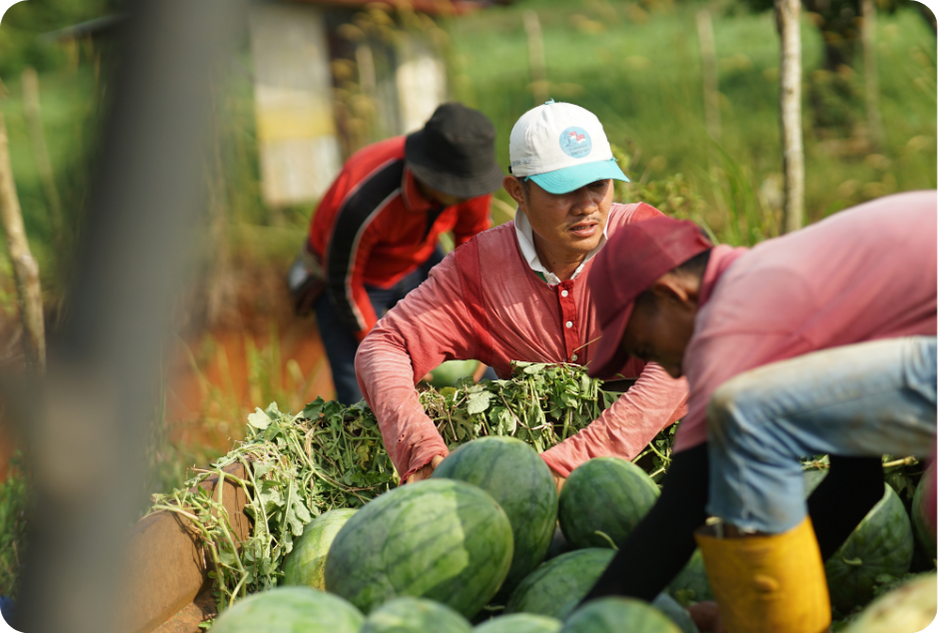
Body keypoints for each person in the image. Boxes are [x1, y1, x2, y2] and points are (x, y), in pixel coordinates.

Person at [581, 190, 940, 632]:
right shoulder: (775, 285)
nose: (670, 370)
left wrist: (581, 624)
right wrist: (756, 605)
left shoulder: (734, 318)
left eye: (646, 348)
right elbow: (855, 485)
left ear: (671, 294)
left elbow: (683, 508)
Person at [354, 100, 688, 486]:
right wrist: (417, 446)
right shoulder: (478, 272)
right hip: (538, 486)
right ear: (518, 192)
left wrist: (574, 462)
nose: (587, 206)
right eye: (565, 189)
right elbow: (385, 346)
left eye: (598, 185)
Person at [288, 102, 504, 404]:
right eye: (458, 188)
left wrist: (478, 332)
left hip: (418, 258)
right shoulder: (364, 200)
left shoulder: (470, 182)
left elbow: (473, 253)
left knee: (488, 373)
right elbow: (344, 282)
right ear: (430, 177)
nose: (469, 195)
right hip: (351, 283)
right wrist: (387, 354)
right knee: (364, 397)